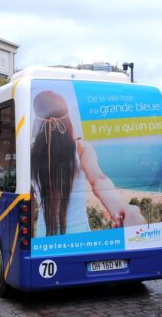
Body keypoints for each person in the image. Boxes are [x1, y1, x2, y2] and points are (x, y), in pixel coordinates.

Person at [30, 90, 145, 236]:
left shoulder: (30, 154)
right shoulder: (80, 148)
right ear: (67, 119)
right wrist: (121, 207)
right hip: (79, 235)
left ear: (38, 119)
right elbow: (98, 181)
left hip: (44, 235)